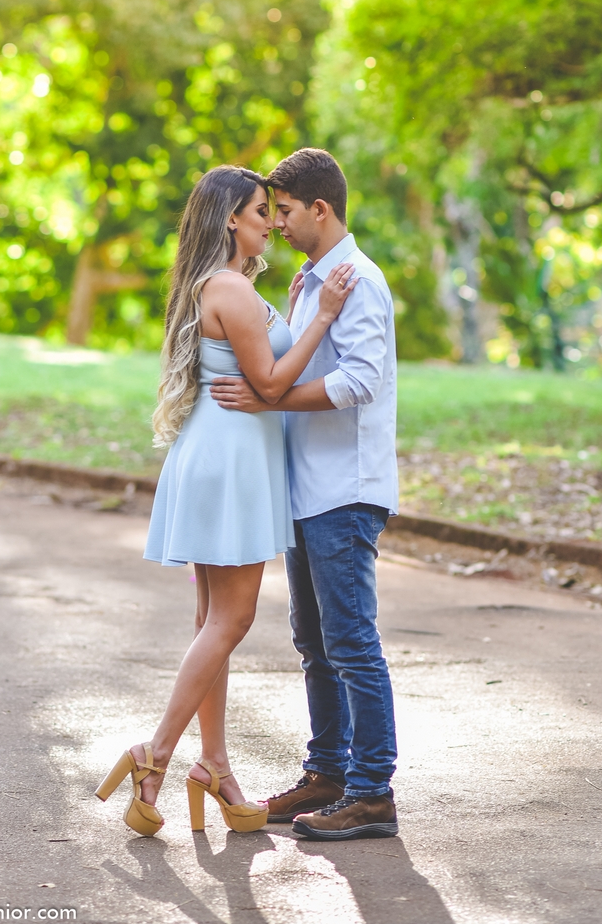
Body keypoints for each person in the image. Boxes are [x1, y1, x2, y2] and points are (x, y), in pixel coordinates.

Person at [94, 164, 356, 837]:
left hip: (219, 454)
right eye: (260, 210)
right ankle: (154, 754)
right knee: (231, 621)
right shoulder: (230, 288)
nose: (272, 221)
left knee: (211, 621)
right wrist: (324, 317)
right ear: (230, 220)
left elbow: (255, 365)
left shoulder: (225, 285)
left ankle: (214, 764)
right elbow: (269, 384)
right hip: (230, 460)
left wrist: (292, 314)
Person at [210, 148, 399, 841]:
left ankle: (371, 791)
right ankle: (327, 774)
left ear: (321, 209)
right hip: (307, 490)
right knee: (315, 643)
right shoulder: (313, 282)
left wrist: (270, 400)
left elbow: (361, 380)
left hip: (344, 490)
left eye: (285, 211)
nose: (277, 223)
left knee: (350, 643)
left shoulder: (358, 280)